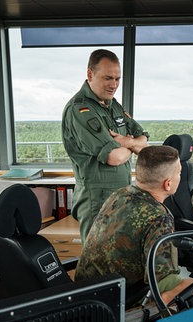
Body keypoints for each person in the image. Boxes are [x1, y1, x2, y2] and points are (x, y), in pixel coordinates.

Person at [74, 145, 193, 306]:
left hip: (83, 290)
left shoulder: (120, 194)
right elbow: (166, 294)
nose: (180, 177)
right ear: (168, 183)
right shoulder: (158, 218)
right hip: (109, 304)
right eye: (179, 173)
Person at [62, 49, 149, 241]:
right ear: (90, 74)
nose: (114, 85)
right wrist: (131, 146)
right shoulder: (80, 109)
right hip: (97, 197)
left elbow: (144, 141)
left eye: (118, 79)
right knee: (97, 260)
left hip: (120, 193)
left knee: (116, 258)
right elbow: (114, 157)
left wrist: (125, 142)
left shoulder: (112, 105)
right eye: (108, 78)